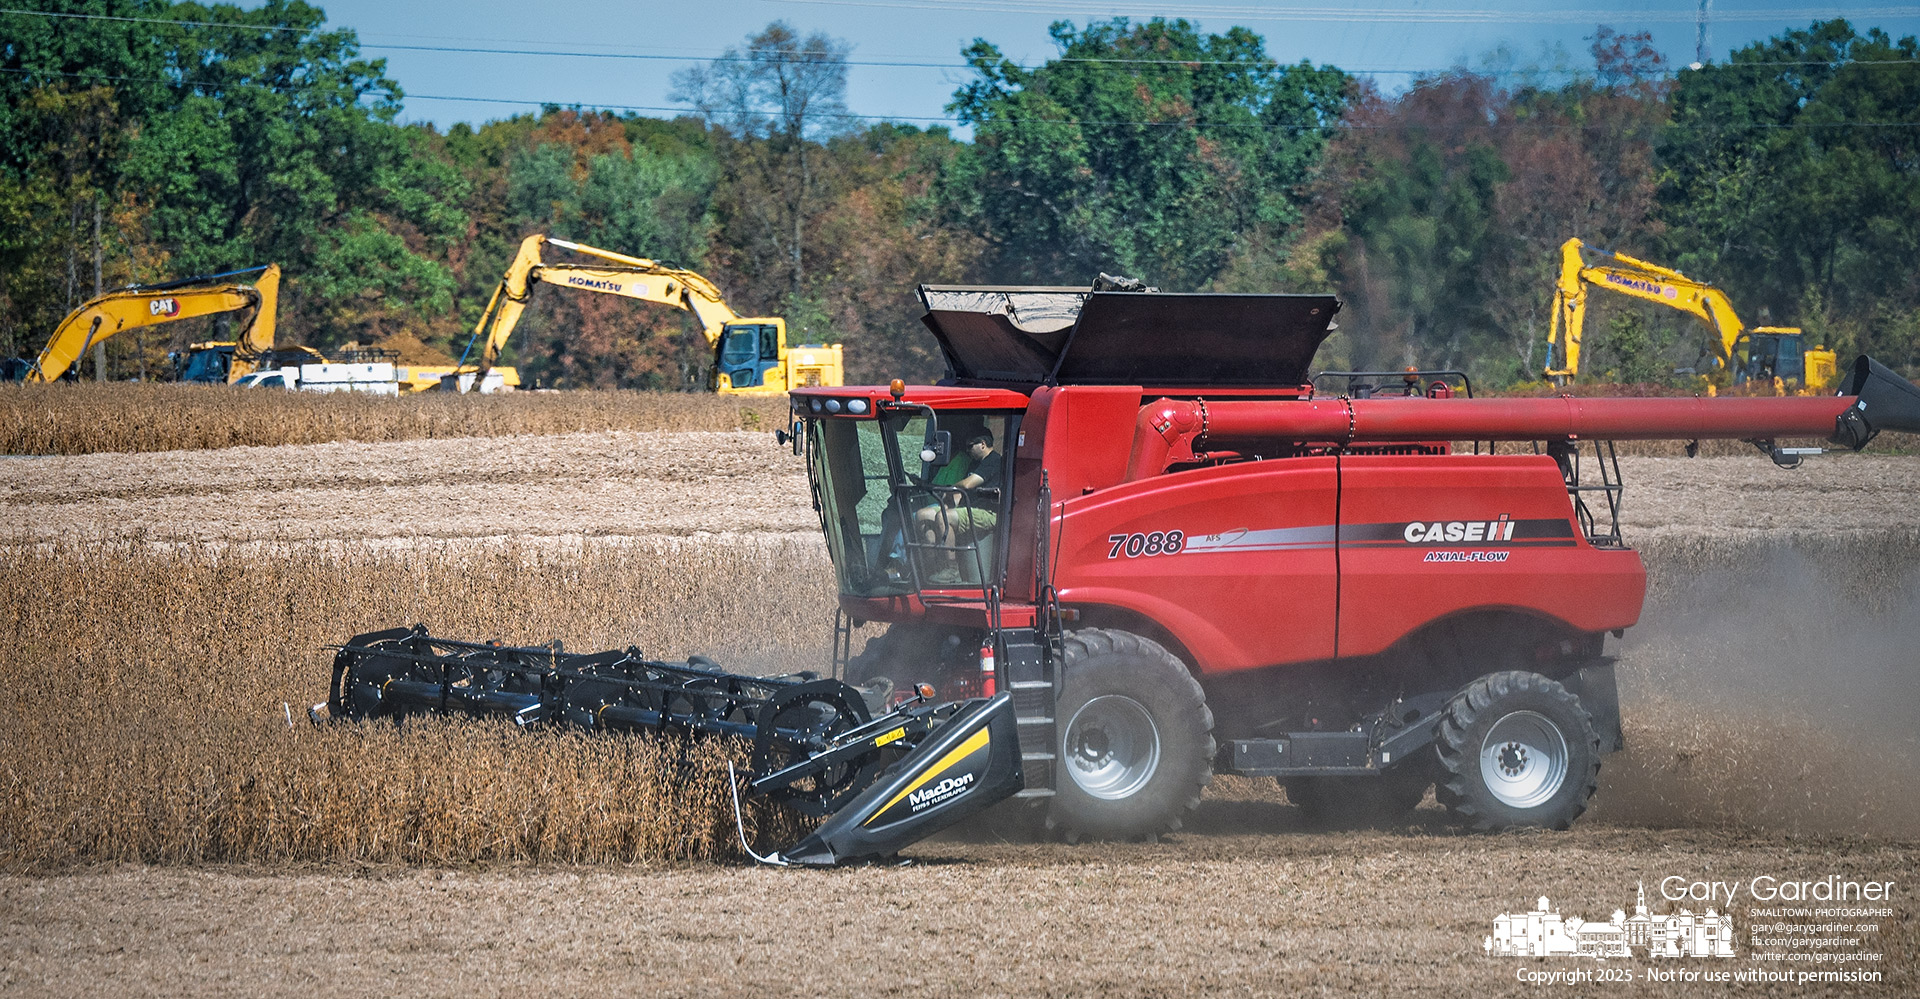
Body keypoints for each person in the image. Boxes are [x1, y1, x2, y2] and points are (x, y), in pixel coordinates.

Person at [914, 430, 1002, 583]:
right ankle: (935, 566)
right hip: (968, 508)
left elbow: (968, 484)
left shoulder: (994, 461)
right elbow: (961, 493)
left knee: (943, 517)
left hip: (988, 512)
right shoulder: (975, 463)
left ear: (982, 444)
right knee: (923, 514)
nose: (967, 450)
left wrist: (951, 489)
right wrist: (948, 502)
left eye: (970, 446)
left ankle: (952, 569)